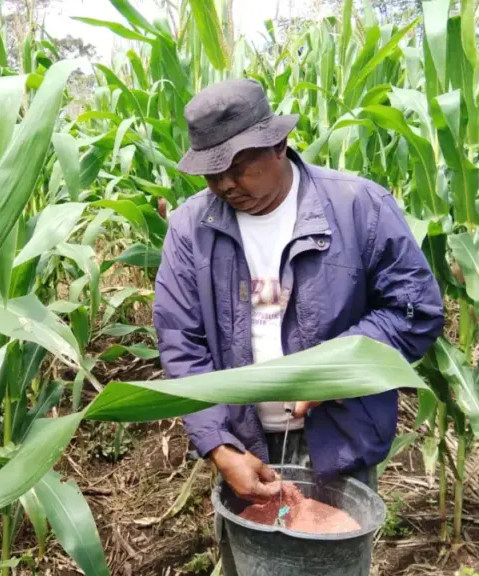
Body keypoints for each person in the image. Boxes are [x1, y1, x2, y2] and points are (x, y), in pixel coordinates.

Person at [152, 78, 443, 568]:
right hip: (243, 442)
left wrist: (334, 373)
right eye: (211, 172)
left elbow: (415, 311)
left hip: (337, 438)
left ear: (279, 144)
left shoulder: (359, 208)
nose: (224, 184)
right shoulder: (189, 229)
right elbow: (183, 344)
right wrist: (220, 447)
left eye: (237, 165)